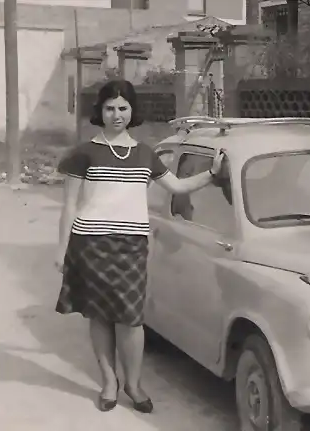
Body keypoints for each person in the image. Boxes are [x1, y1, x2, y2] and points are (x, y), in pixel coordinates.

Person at [54, 79, 225, 413]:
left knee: (131, 320)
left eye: (122, 108)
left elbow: (176, 186)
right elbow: (70, 206)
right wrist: (61, 249)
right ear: (99, 111)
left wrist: (211, 174)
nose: (116, 114)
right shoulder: (83, 153)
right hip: (91, 243)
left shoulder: (145, 153)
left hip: (131, 246)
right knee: (99, 315)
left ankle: (132, 383)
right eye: (109, 108)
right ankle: (108, 381)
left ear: (132, 111)